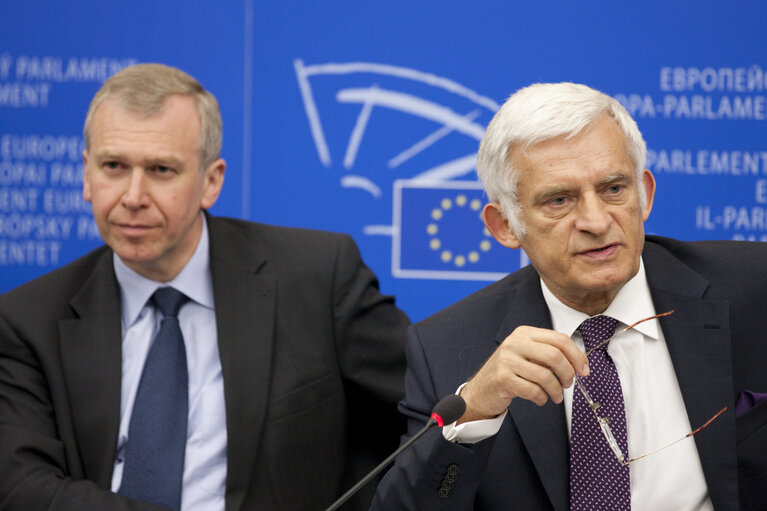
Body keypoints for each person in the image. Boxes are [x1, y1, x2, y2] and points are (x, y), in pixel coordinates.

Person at [0, 63, 410, 511]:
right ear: (86, 174)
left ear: (210, 181)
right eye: (113, 166)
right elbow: (23, 486)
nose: (132, 196)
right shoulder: (29, 318)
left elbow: (429, 408)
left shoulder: (316, 278)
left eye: (160, 169)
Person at [371, 82, 767, 510]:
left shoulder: (752, 290)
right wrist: (474, 415)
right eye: (559, 200)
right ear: (504, 226)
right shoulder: (447, 350)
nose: (596, 221)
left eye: (614, 189)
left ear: (645, 193)